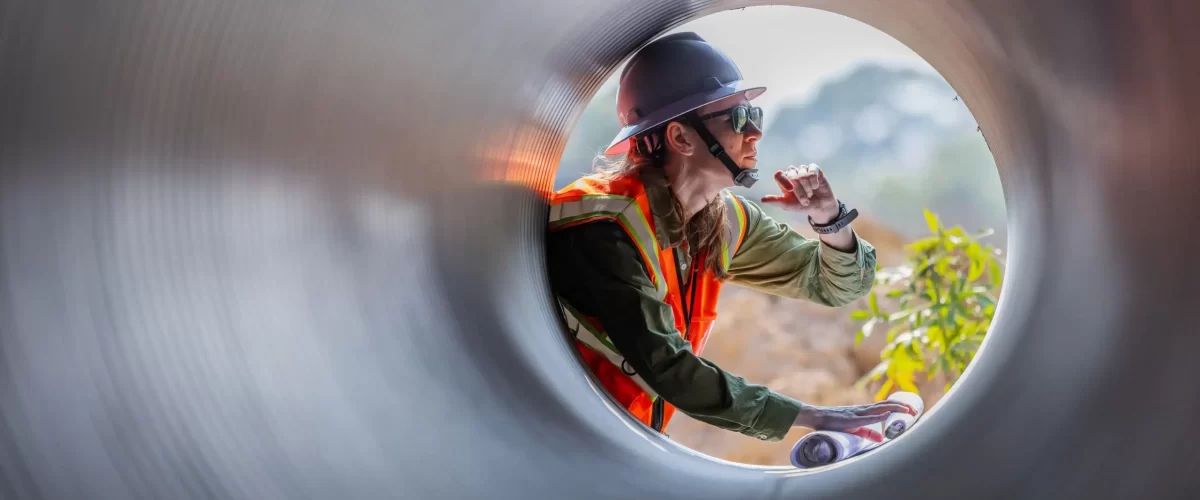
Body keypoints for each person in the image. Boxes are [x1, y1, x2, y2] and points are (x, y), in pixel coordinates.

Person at [546, 32, 914, 442]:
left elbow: (837, 285)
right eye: (738, 119)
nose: (754, 133)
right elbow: (669, 368)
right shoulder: (605, 227)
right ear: (681, 138)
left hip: (617, 438)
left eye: (754, 115)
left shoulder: (723, 219)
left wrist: (829, 219)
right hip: (559, 436)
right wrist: (816, 417)